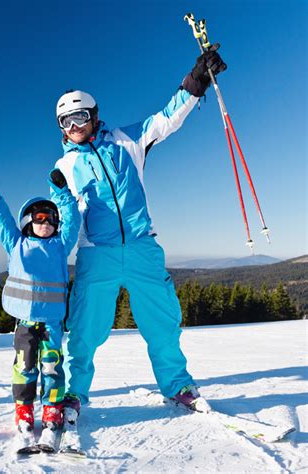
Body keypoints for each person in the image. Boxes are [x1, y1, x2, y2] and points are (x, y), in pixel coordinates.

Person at [52, 46, 227, 424]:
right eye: (64, 122)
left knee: (162, 322)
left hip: (142, 246)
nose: (73, 127)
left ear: (94, 116)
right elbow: (63, 217)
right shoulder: (63, 166)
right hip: (96, 254)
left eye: (79, 117)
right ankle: (73, 393)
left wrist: (195, 82)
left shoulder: (127, 141)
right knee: (84, 330)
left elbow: (166, 120)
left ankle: (178, 386)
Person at [0, 166, 80, 447]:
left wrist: (61, 193)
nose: (45, 222)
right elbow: (1, 219)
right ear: (29, 221)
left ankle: (51, 412)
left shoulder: (60, 245)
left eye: (50, 218)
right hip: (24, 322)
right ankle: (24, 412)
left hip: (52, 324)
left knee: (51, 367)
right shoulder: (16, 244)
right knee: (24, 368)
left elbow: (73, 219)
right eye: (39, 217)